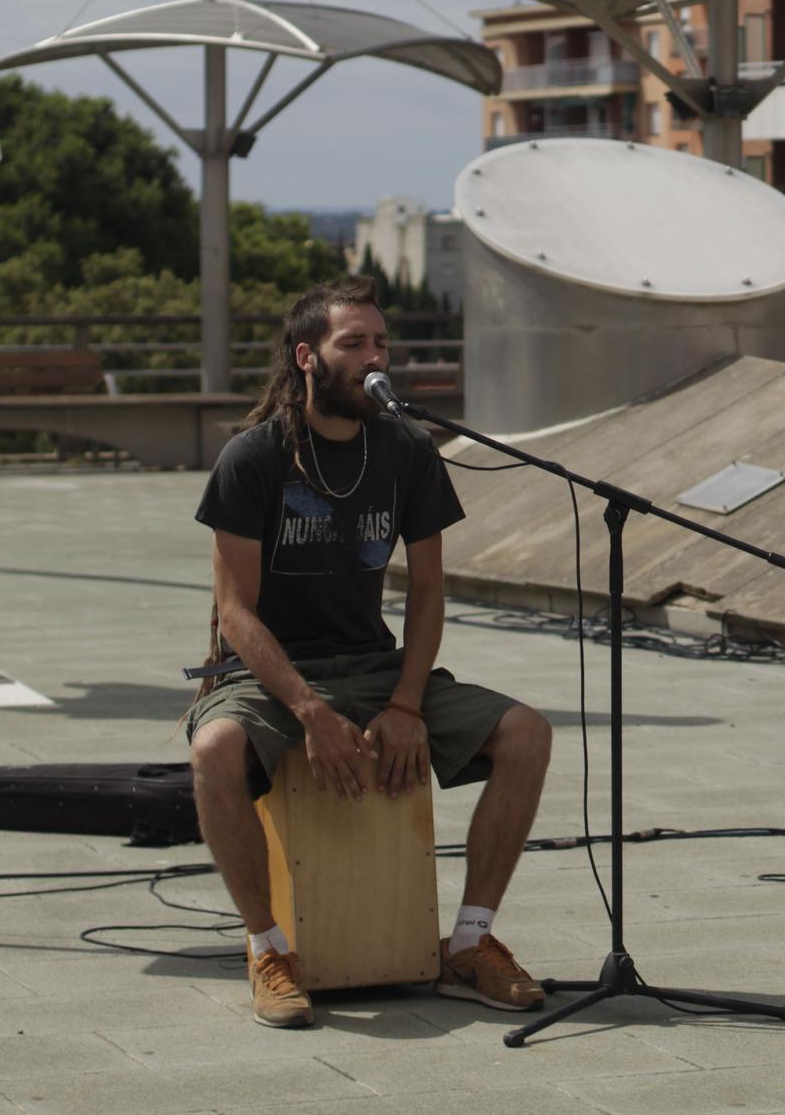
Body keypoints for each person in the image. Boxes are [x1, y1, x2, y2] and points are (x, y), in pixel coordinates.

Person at [185, 277, 554, 1027]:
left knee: (527, 734)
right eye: (352, 342)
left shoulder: (408, 451)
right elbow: (235, 611)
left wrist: (407, 702)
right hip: (273, 672)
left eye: (380, 341)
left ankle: (470, 943)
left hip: (373, 665)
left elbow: (425, 593)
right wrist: (309, 710)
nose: (373, 355)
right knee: (214, 750)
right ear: (307, 357)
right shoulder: (253, 457)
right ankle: (269, 948)